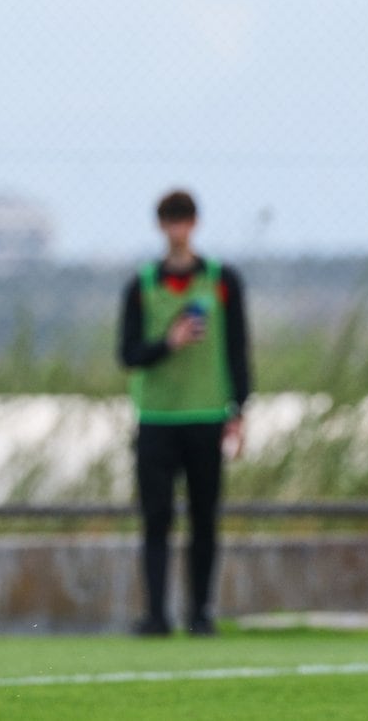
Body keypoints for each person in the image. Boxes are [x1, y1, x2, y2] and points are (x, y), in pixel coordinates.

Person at [118, 189, 251, 637]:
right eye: (171, 219)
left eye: (184, 218)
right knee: (155, 520)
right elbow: (128, 353)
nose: (178, 227)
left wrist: (239, 410)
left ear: (195, 223)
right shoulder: (142, 284)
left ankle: (200, 614)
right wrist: (168, 343)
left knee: (204, 519)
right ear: (161, 225)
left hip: (207, 416)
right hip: (156, 418)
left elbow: (237, 349)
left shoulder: (222, 280)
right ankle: (156, 615)